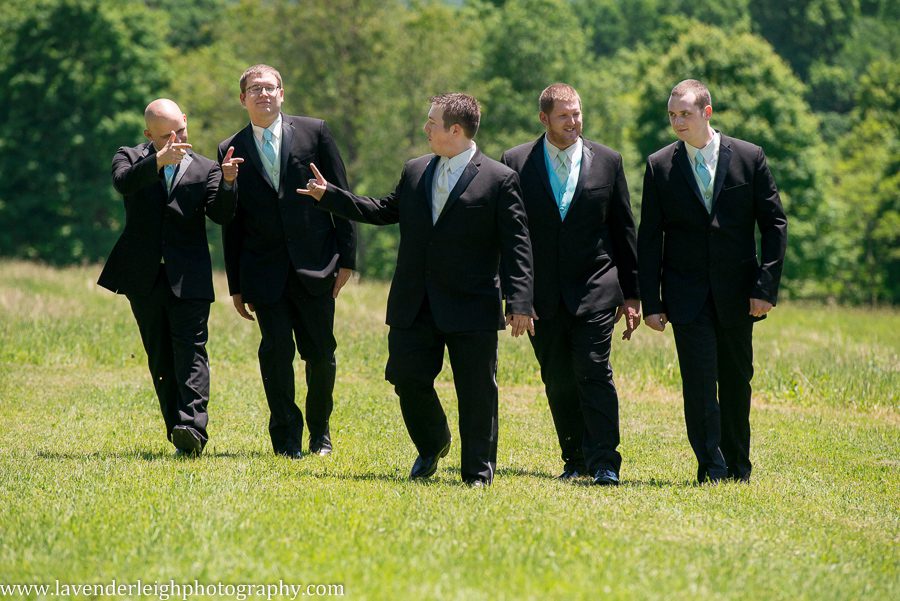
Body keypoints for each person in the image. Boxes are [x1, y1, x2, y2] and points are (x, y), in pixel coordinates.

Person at [298, 93, 533, 487]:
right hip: (414, 302)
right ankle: (433, 442)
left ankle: (477, 474)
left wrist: (520, 301)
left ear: (455, 130)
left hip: (471, 305)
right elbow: (382, 210)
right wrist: (331, 197)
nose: (425, 128)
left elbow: (517, 244)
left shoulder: (499, 178)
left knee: (476, 393)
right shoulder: (414, 170)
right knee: (405, 378)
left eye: (432, 122)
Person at [637, 79, 788, 483]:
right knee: (700, 384)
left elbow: (774, 224)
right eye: (672, 115)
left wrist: (765, 288)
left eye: (684, 113)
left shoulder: (749, 157)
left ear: (707, 112)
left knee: (737, 382)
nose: (677, 122)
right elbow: (649, 238)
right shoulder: (659, 165)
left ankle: (739, 465)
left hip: (739, 294)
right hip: (685, 296)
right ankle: (712, 467)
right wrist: (651, 301)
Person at [501, 83, 639, 486]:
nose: (574, 121)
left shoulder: (609, 161)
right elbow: (512, 236)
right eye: (564, 115)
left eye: (577, 113)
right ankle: (575, 457)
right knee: (557, 376)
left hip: (596, 287)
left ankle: (605, 462)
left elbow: (623, 230)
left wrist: (632, 294)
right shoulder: (515, 161)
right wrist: (516, 298)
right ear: (544, 118)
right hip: (540, 295)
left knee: (594, 370)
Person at [220, 64, 356, 459]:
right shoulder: (230, 147)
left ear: (282, 93)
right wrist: (236, 284)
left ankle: (320, 433)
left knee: (320, 355)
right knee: (275, 354)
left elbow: (341, 196)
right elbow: (231, 221)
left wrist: (346, 258)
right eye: (255, 89)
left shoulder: (316, 132)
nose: (263, 94)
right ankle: (286, 438)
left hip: (317, 266)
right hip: (263, 272)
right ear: (242, 98)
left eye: (270, 87)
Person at [98, 98, 240, 457]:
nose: (176, 139)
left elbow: (221, 215)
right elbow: (123, 184)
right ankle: (177, 433)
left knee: (191, 353)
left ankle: (193, 426)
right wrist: (157, 161)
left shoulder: (206, 168)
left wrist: (227, 183)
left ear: (186, 121)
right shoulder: (130, 157)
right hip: (143, 276)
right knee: (160, 357)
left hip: (189, 276)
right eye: (165, 136)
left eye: (180, 130)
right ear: (149, 134)